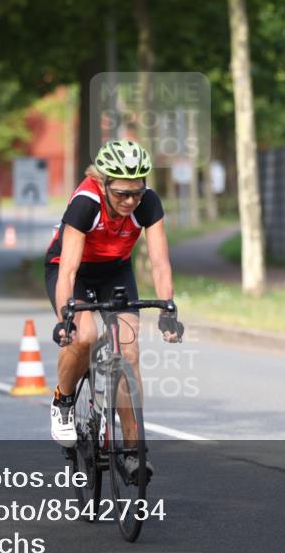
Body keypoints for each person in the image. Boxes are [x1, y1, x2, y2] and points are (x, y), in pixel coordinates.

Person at [45, 139, 184, 480]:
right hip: (71, 269)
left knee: (130, 351)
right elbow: (68, 271)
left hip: (115, 271)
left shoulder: (148, 204)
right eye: (121, 193)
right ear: (104, 182)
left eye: (136, 192)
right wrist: (67, 318)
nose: (130, 201)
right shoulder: (85, 203)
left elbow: (160, 263)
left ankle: (134, 451)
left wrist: (167, 310)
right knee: (85, 335)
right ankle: (63, 401)